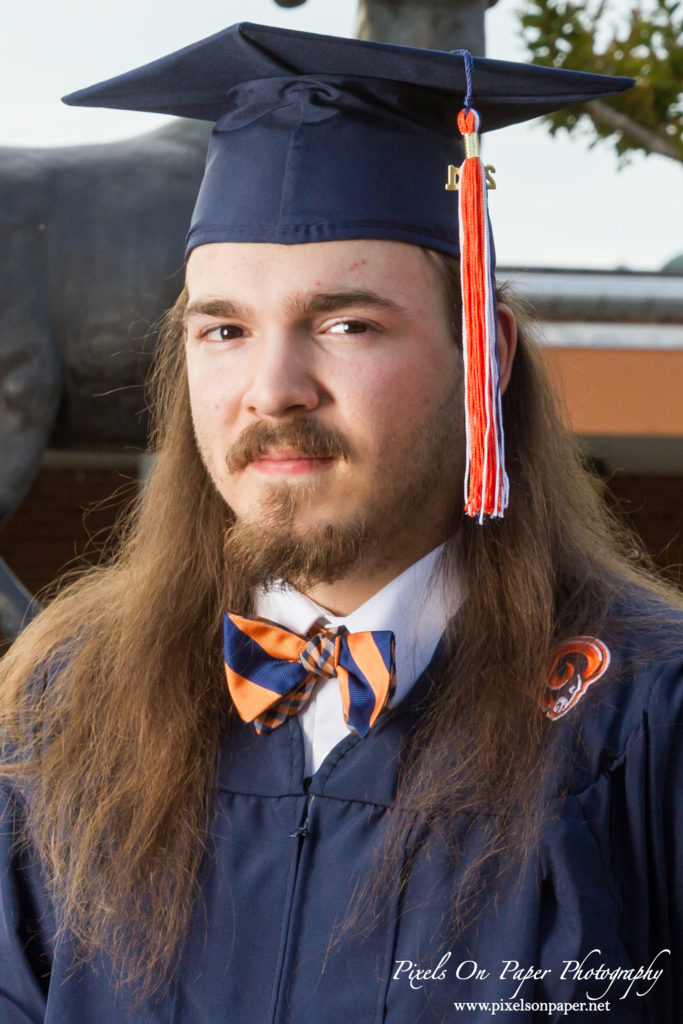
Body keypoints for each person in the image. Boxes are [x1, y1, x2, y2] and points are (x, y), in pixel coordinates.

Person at [0, 22, 681, 1024]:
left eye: (344, 324)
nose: (271, 390)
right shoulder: (66, 713)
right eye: (223, 329)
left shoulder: (639, 721)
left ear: (479, 355)